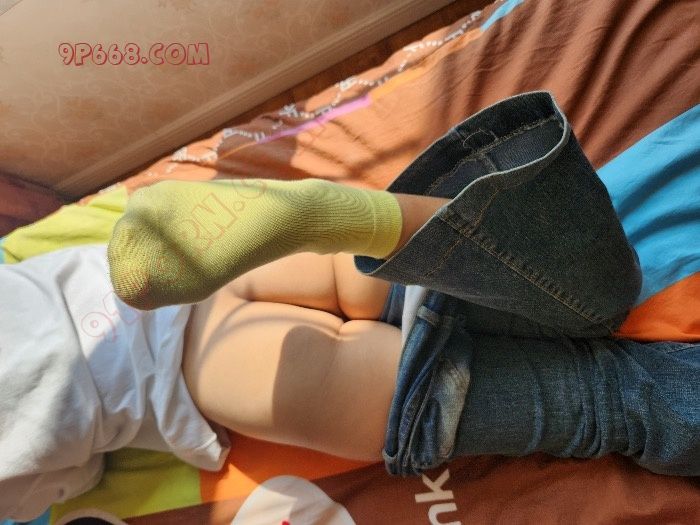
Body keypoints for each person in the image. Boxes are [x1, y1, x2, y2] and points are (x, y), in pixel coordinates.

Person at [1, 92, 698, 521]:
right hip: (155, 266)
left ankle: (626, 397)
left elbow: (68, 478)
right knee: (383, 275)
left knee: (596, 399)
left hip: (188, 373)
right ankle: (351, 221)